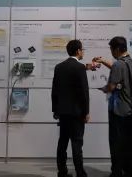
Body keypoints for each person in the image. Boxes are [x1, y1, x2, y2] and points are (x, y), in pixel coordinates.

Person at [93, 36, 132, 177]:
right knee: (128, 141)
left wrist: (103, 88)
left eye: (112, 49)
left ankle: (116, 172)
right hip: (130, 108)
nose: (111, 52)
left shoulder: (119, 65)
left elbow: (111, 86)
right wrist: (103, 61)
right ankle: (129, 170)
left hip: (118, 110)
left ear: (117, 49)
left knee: (116, 143)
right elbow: (118, 68)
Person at [51, 40, 90, 177]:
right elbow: (84, 93)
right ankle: (80, 173)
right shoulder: (79, 67)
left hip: (63, 112)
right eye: (82, 49)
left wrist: (55, 110)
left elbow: (54, 90)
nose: (83, 52)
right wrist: (86, 112)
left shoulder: (59, 67)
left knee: (62, 142)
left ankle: (62, 172)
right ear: (78, 51)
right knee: (77, 143)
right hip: (77, 113)